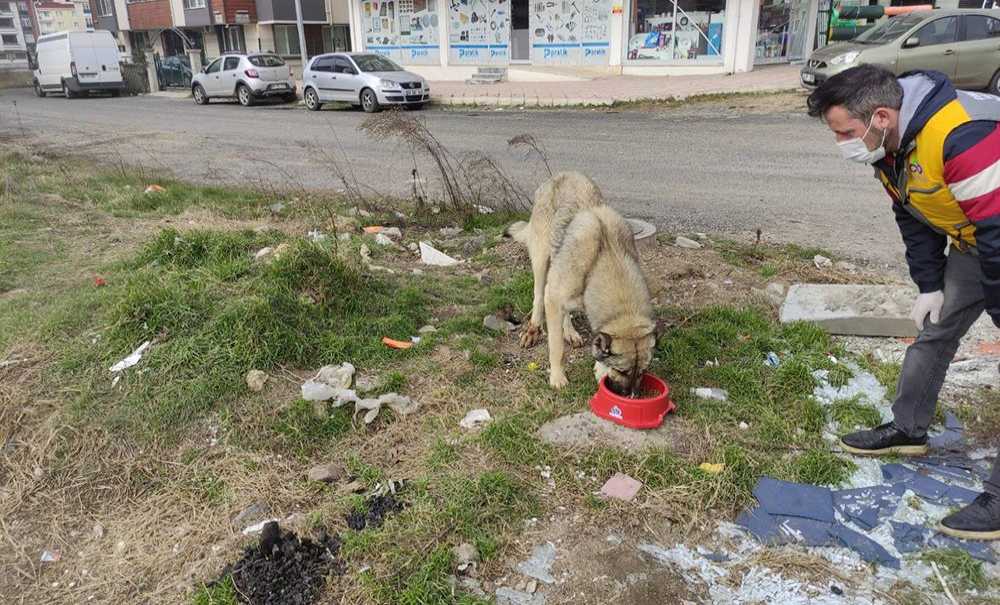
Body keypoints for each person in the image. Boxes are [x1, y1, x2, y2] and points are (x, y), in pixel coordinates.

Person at [807, 65, 1000, 540]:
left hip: (995, 235)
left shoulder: (961, 134)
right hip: (975, 242)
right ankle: (908, 429)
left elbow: (999, 230)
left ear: (881, 117)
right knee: (935, 333)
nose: (842, 144)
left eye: (845, 133)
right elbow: (911, 214)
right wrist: (929, 283)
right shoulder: (889, 148)